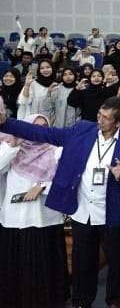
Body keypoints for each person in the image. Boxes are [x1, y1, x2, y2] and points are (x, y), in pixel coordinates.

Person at [0, 96, 120, 308]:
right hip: (82, 210)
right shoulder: (82, 130)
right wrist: (5, 122)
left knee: (117, 262)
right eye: (99, 114)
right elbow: (44, 133)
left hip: (112, 212)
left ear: (119, 122)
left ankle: (116, 301)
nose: (99, 120)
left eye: (106, 118)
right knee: (83, 261)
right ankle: (82, 301)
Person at [0, 113, 69, 308]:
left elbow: (65, 178)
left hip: (43, 219)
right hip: (15, 219)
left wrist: (43, 186)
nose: (38, 132)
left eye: (43, 127)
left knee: (42, 261)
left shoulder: (56, 151)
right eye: (34, 126)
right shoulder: (12, 148)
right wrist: (13, 146)